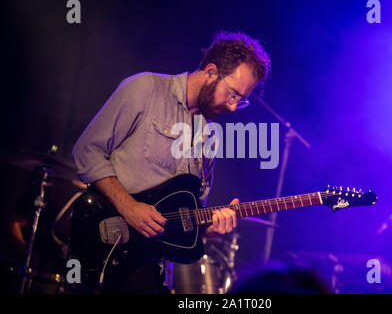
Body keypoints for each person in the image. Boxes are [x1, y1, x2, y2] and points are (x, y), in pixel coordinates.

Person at [71, 31, 271, 293]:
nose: (233, 107)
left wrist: (210, 226)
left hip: (154, 269)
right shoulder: (145, 89)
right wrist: (128, 206)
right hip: (106, 243)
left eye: (241, 101)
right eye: (232, 94)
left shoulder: (210, 136)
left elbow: (189, 217)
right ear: (210, 72)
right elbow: (87, 151)